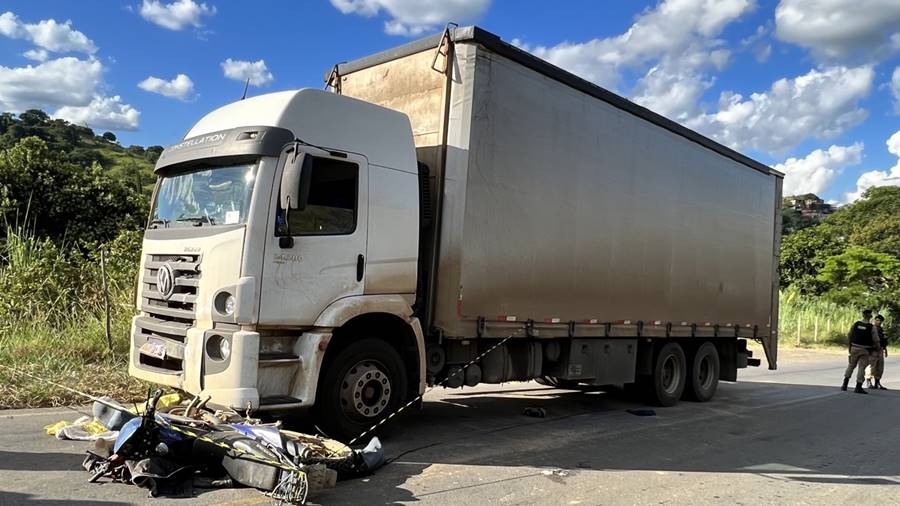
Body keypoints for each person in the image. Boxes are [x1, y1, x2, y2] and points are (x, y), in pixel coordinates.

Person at [842, 309, 881, 394]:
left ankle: (845, 384)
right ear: (870, 316)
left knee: (851, 365)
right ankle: (858, 386)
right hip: (865, 349)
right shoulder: (872, 327)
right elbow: (876, 340)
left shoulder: (856, 324)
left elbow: (850, 335)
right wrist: (878, 349)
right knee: (861, 367)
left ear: (863, 315)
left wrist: (850, 346)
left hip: (854, 347)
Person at [865, 315, 888, 390]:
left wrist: (885, 349)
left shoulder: (881, 329)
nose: (878, 322)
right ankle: (868, 382)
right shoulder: (871, 329)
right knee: (871, 366)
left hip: (880, 350)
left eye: (880, 320)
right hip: (873, 350)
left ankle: (877, 383)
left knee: (880, 367)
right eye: (877, 320)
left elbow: (884, 341)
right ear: (874, 320)